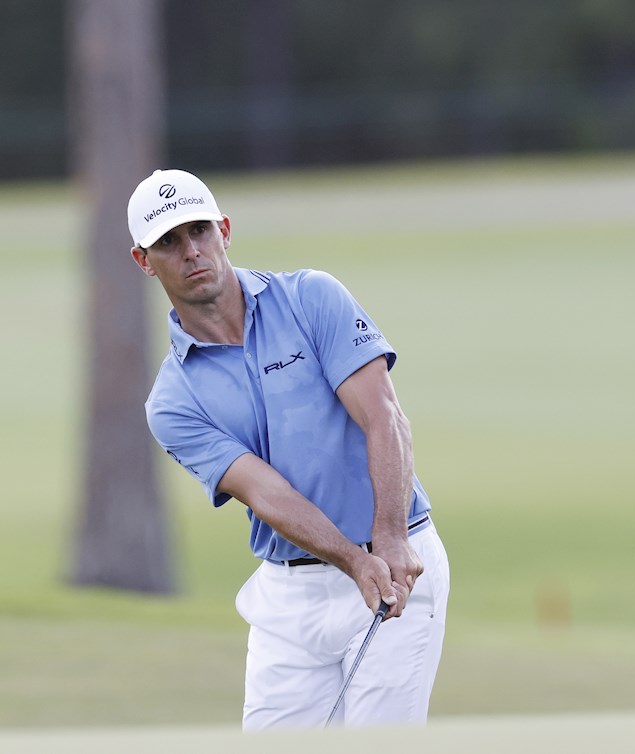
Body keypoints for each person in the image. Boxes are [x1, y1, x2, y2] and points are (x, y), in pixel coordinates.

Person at [126, 168, 449, 730]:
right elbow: (267, 493)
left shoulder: (311, 298)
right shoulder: (172, 403)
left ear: (225, 229)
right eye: (169, 242)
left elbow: (383, 417)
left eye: (200, 230)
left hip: (397, 562)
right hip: (290, 598)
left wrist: (391, 538)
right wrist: (352, 560)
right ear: (143, 260)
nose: (191, 250)